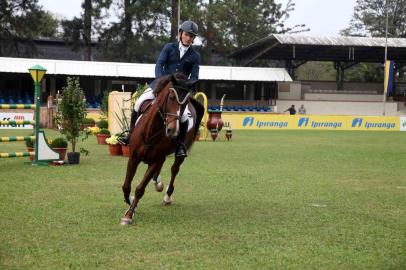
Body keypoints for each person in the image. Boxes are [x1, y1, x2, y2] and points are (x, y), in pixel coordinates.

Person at [119, 20, 201, 157]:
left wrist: (185, 85)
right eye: (187, 35)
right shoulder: (169, 47)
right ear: (181, 34)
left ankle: (180, 146)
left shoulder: (195, 56)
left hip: (179, 91)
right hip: (161, 84)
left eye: (192, 36)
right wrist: (161, 80)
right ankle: (130, 134)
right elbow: (159, 65)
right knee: (139, 102)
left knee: (185, 116)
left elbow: (195, 76)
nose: (189, 38)